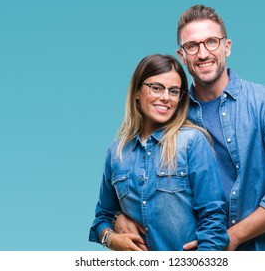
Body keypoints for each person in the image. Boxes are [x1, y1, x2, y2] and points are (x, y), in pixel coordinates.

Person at [115, 5, 265, 251]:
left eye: (211, 42)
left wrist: (231, 237)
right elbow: (136, 177)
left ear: (226, 47)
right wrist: (117, 218)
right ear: (182, 55)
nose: (203, 53)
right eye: (192, 46)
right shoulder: (170, 113)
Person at [89, 54, 229, 251]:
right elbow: (102, 217)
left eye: (174, 91)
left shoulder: (191, 142)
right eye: (156, 88)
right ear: (137, 91)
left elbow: (213, 218)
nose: (165, 97)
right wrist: (111, 239)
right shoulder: (116, 153)